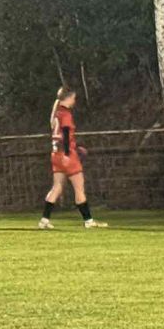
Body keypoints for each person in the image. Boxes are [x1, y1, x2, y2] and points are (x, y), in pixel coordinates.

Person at [39, 87, 107, 230]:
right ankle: (88, 220)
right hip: (67, 155)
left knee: (56, 187)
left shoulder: (56, 113)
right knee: (79, 188)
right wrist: (68, 153)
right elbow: (65, 133)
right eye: (73, 98)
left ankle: (44, 220)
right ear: (68, 98)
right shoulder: (65, 114)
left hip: (55, 154)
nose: (74, 101)